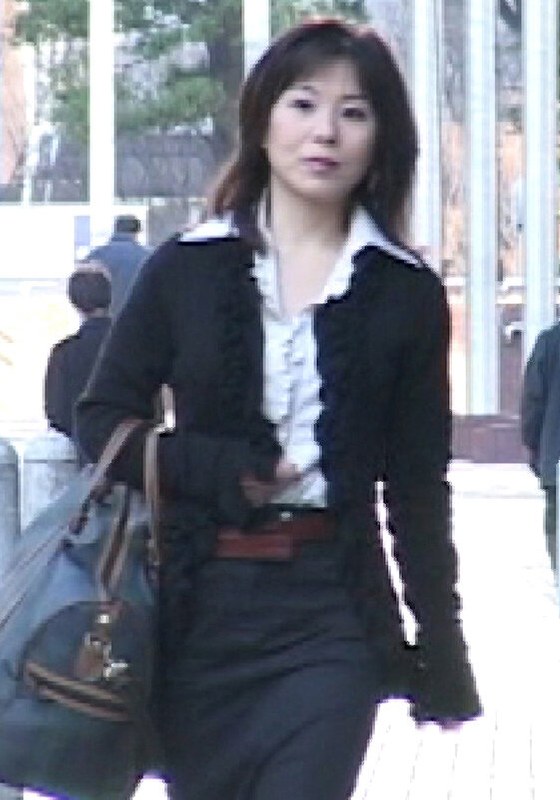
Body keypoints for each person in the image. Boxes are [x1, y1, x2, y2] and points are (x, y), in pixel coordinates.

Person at [76, 18, 481, 800]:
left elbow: (417, 488)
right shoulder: (185, 269)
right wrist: (219, 469)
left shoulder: (404, 293)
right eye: (303, 104)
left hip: (332, 612)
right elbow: (100, 420)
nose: (325, 131)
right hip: (197, 611)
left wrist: (442, 645)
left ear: (380, 139)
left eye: (354, 112)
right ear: (262, 120)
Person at [44, 264, 111, 453]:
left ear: (74, 302)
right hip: (129, 452)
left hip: (81, 452)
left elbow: (56, 413)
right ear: (109, 298)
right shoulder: (131, 347)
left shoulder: (63, 353)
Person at [520, 320, 560, 574]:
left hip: (556, 458)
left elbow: (533, 399)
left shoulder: (550, 342)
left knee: (556, 525)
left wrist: (535, 446)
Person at [84, 213, 149, 315]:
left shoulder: (94, 257)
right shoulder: (148, 257)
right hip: (137, 319)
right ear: (137, 231)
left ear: (116, 229)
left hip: (102, 320)